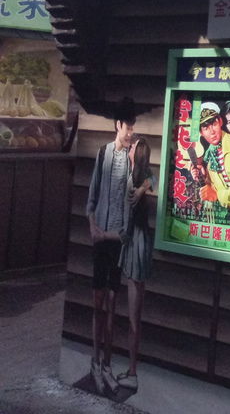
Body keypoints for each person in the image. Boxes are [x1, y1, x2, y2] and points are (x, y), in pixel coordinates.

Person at [85, 97, 135, 394]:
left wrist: (107, 235)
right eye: (128, 127)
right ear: (118, 125)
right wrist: (93, 227)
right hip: (100, 238)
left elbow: (129, 224)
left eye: (133, 127)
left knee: (113, 304)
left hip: (116, 240)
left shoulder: (132, 159)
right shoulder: (103, 154)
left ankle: (106, 364)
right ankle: (95, 361)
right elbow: (91, 198)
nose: (131, 132)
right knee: (98, 301)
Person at [117, 137, 155, 392]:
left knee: (133, 315)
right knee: (135, 313)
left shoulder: (132, 180)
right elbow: (153, 178)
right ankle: (131, 369)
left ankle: (132, 372)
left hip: (134, 244)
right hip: (141, 244)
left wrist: (140, 189)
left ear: (136, 154)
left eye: (132, 147)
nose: (128, 148)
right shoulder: (143, 178)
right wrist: (144, 188)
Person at [195, 101, 230, 217]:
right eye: (206, 128)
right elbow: (213, 188)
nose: (212, 131)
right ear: (201, 133)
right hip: (225, 214)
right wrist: (201, 176)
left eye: (214, 124)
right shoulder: (209, 156)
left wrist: (217, 196)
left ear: (220, 122)